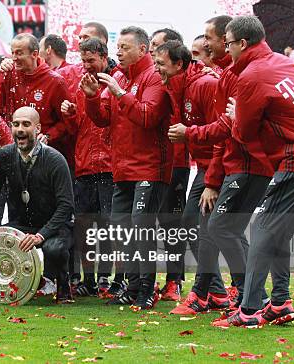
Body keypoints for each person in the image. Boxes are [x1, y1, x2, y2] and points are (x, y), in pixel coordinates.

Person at [213, 16, 294, 328]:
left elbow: (244, 133)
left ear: (242, 44)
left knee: (262, 228)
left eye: (229, 43)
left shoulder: (250, 76)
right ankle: (280, 302)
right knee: (278, 230)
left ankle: (248, 311)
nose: (227, 49)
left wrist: (236, 116)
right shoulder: (284, 62)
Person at [168, 15, 273, 311]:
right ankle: (226, 293)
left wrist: (211, 178)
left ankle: (252, 295)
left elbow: (225, 130)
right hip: (231, 164)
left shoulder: (235, 76)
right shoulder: (227, 74)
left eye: (212, 39)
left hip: (243, 164)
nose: (205, 45)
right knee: (214, 228)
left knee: (220, 229)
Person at [83, 26, 172, 310]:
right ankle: (133, 286)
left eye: (124, 47)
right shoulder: (118, 76)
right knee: (121, 231)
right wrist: (92, 97)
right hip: (121, 168)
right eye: (117, 46)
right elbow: (103, 119)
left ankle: (147, 288)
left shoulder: (154, 77)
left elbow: (148, 117)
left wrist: (120, 93)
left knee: (140, 229)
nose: (118, 51)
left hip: (149, 168)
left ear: (143, 50)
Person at [152, 40, 230, 313]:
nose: (156, 68)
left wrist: (212, 181)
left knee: (208, 230)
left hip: (217, 167)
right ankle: (219, 293)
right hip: (205, 166)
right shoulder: (177, 86)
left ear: (179, 64)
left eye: (161, 64)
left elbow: (223, 133)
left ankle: (204, 294)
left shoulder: (205, 85)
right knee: (191, 225)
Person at [0, 106, 75, 303]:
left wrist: (41, 235)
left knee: (53, 248)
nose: (20, 129)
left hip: (55, 227)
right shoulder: (4, 155)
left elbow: (66, 206)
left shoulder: (55, 159)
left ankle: (64, 286)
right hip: (22, 225)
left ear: (37, 128)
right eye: (16, 124)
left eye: (26, 124)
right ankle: (8, 284)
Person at [59, 38, 113, 298]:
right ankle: (88, 279)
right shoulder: (80, 84)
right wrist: (69, 114)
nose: (86, 66)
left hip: (111, 165)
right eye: (83, 61)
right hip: (85, 164)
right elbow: (75, 130)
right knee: (85, 226)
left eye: (91, 60)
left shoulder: (116, 81)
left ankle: (107, 278)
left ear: (104, 57)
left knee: (107, 226)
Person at [149, 28, 192, 301]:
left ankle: (174, 280)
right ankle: (144, 281)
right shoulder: (154, 78)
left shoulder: (184, 82)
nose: (153, 51)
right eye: (151, 46)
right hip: (151, 163)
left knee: (171, 224)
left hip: (176, 162)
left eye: (157, 47)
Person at [0, 33, 71, 158]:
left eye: (19, 53)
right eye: (12, 53)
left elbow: (66, 121)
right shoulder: (6, 74)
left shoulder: (55, 82)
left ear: (34, 54)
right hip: (11, 153)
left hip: (43, 156)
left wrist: (48, 136)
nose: (14, 58)